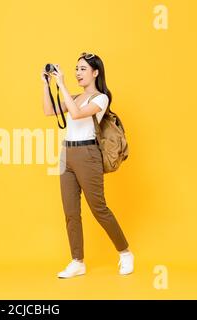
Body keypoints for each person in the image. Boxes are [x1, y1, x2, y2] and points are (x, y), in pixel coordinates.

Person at [41, 52, 134, 278]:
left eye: (83, 69)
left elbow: (76, 113)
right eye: (76, 69)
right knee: (70, 212)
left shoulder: (101, 98)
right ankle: (77, 261)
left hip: (87, 153)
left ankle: (125, 252)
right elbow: (48, 110)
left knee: (98, 208)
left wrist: (61, 84)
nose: (77, 73)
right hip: (67, 154)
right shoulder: (76, 96)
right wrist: (45, 84)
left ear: (95, 72)